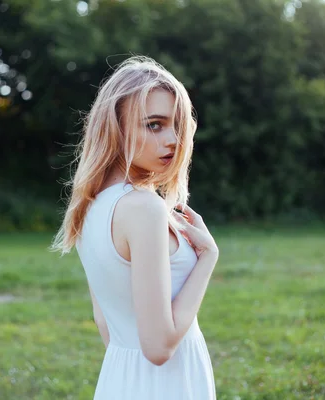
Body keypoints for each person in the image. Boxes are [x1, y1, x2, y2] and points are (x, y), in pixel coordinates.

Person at [51, 55, 218, 400]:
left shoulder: (88, 208)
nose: (173, 140)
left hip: (120, 380)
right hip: (166, 386)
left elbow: (107, 326)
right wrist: (208, 258)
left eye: (177, 125)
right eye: (154, 125)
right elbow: (159, 348)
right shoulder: (143, 208)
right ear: (116, 126)